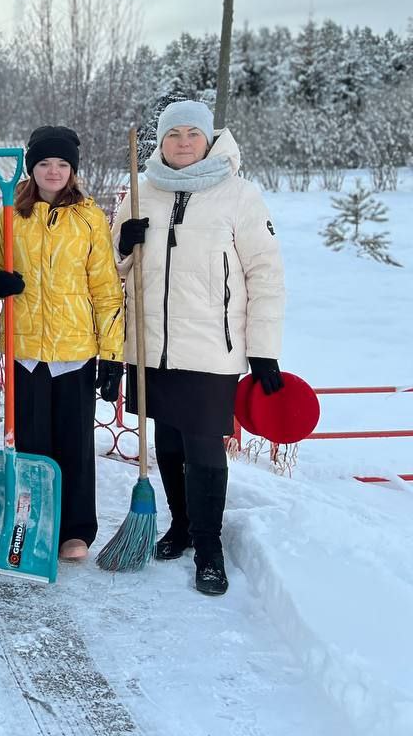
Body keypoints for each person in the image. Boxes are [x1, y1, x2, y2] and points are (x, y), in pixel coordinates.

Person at [112, 100, 284, 596]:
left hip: (212, 347)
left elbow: (265, 275)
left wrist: (263, 348)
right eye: (173, 134)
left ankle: (209, 546)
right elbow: (111, 271)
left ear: (209, 139)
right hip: (153, 346)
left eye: (193, 133)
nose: (183, 142)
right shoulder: (142, 194)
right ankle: (182, 526)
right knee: (167, 442)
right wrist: (123, 244)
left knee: (205, 447)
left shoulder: (239, 196)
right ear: (160, 142)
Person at [0, 126, 124, 563]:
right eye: (44, 163)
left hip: (75, 351)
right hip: (25, 351)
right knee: (31, 442)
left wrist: (112, 355)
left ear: (73, 170)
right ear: (31, 168)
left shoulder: (89, 217)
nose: (53, 171)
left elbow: (106, 288)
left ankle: (76, 530)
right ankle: (36, 521)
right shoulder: (9, 214)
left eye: (62, 164)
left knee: (76, 444)